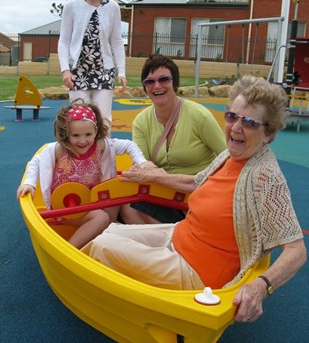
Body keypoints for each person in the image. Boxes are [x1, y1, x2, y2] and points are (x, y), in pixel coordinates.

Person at [82, 75, 306, 323]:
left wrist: (261, 287)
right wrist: (154, 178)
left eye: (250, 122)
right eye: (232, 117)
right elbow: (196, 181)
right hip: (180, 235)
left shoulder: (265, 176)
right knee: (108, 233)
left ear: (268, 134)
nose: (236, 128)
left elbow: (297, 250)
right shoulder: (228, 156)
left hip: (198, 271)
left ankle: (100, 301)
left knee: (103, 247)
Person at [17, 100, 151, 249]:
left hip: (89, 200)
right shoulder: (60, 150)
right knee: (101, 217)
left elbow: (129, 145)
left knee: (117, 198)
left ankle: (119, 234)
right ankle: (69, 249)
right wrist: (29, 183)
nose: (82, 141)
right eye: (75, 135)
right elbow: (36, 162)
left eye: (88, 134)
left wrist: (142, 162)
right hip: (64, 207)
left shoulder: (100, 145)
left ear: (96, 131)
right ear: (66, 134)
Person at [121, 54, 226, 224]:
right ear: (145, 87)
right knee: (126, 206)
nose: (157, 86)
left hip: (198, 193)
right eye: (150, 81)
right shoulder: (141, 122)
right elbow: (142, 165)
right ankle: (173, 240)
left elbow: (228, 158)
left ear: (174, 83)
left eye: (164, 79)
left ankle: (173, 238)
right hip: (165, 194)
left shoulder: (199, 116)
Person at [58, 0, 126, 130]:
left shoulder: (112, 7)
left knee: (103, 122)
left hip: (103, 72)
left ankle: (103, 157)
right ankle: (80, 157)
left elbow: (117, 41)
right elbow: (64, 40)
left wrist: (122, 72)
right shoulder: (71, 6)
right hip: (77, 72)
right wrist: (65, 70)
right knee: (79, 121)